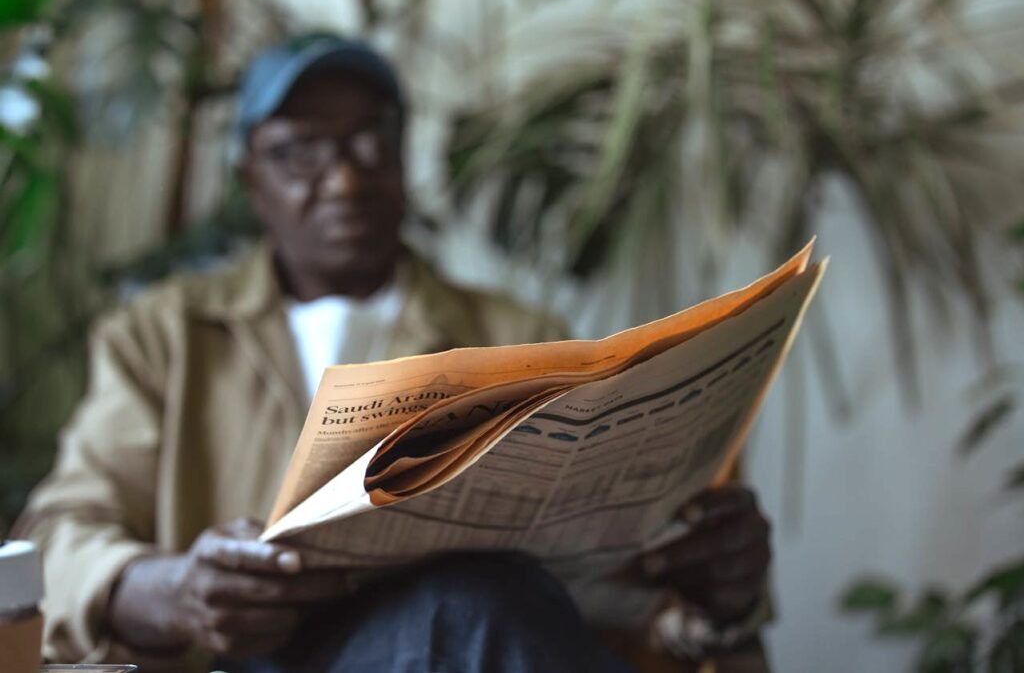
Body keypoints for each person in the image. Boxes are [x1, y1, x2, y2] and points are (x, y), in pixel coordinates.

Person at [15, 33, 772, 673]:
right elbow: (53, 540)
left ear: (402, 158)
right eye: (300, 152)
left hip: (471, 642)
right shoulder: (162, 337)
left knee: (481, 605)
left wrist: (717, 595)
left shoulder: (517, 334)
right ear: (251, 180)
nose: (344, 178)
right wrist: (173, 588)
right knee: (475, 610)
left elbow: (609, 610)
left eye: (369, 141)